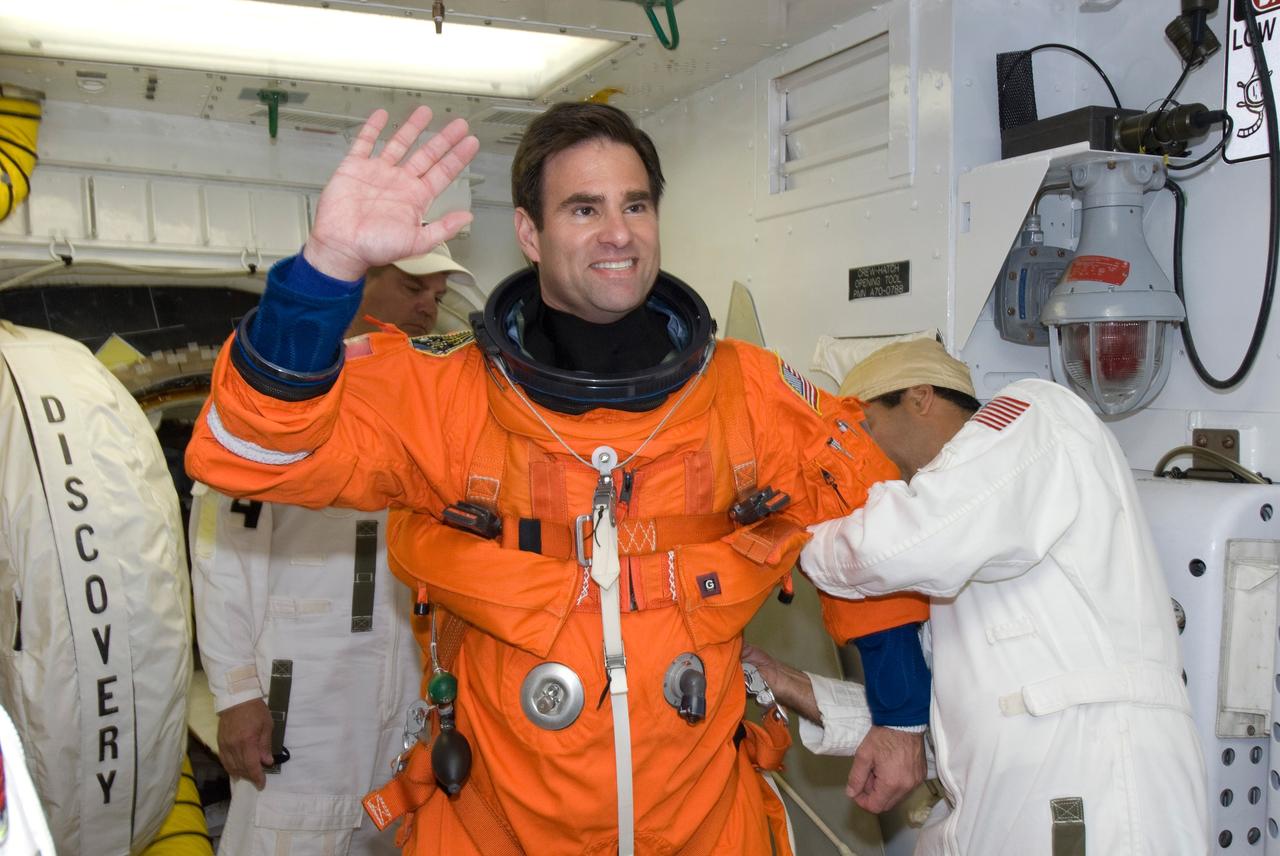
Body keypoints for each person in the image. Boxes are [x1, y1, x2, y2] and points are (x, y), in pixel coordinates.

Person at [185, 102, 931, 856]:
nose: (618, 233)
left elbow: (865, 523)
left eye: (635, 205)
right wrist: (326, 270)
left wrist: (901, 719)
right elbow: (248, 449)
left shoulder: (747, 393)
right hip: (498, 828)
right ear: (529, 234)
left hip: (705, 824)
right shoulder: (445, 395)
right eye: (584, 208)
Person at [795, 338, 1209, 854]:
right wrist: (788, 685)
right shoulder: (959, 556)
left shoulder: (1036, 416)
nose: (858, 456)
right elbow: (926, 719)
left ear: (919, 397)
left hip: (1090, 780)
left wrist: (798, 538)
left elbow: (901, 541)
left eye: (865, 429)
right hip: (1009, 800)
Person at [191, 244, 475, 856]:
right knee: (285, 834)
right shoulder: (275, 396)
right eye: (411, 287)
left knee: (391, 824)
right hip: (300, 686)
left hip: (402, 677)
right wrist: (236, 692)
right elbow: (222, 556)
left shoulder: (429, 404)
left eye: (437, 296)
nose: (429, 307)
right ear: (357, 281)